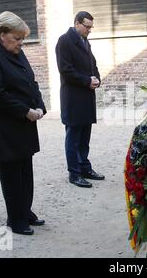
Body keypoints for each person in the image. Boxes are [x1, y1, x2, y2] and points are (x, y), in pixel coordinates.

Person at [0, 11, 47, 235]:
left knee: (25, 171)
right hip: (2, 127)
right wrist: (25, 111)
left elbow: (31, 81)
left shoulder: (17, 52)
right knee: (11, 175)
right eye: (17, 38)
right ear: (2, 33)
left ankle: (24, 211)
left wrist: (40, 105)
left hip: (22, 123)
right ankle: (15, 220)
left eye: (22, 38)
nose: (20, 43)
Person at [55, 11, 104, 188]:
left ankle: (84, 168)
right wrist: (86, 81)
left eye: (91, 27)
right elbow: (65, 70)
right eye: (87, 26)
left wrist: (97, 78)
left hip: (86, 96)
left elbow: (93, 64)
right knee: (74, 136)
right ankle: (74, 173)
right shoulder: (65, 41)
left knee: (84, 137)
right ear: (77, 23)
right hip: (73, 98)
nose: (90, 30)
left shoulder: (85, 42)